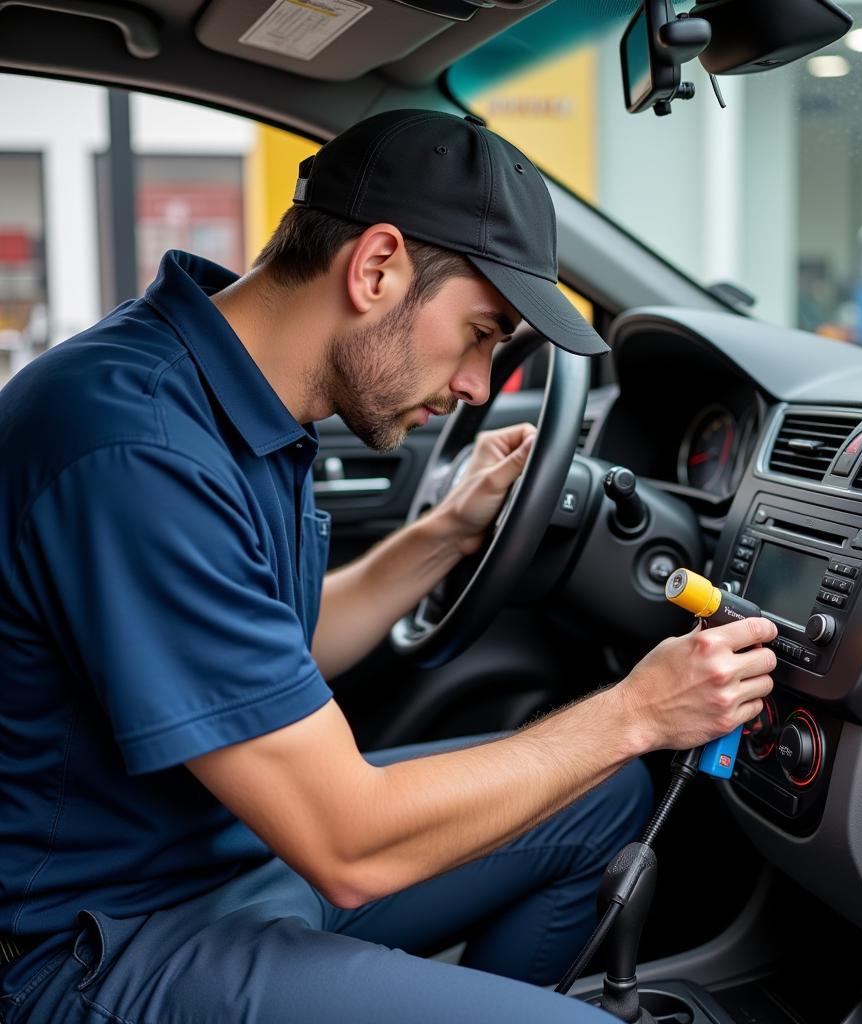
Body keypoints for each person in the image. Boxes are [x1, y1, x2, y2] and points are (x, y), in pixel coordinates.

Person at [0, 109, 776, 1023]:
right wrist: (638, 711)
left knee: (603, 800)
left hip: (212, 860)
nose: (477, 388)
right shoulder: (136, 447)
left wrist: (447, 531)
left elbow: (275, 651)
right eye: (481, 333)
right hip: (83, 947)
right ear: (375, 267)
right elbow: (349, 845)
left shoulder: (236, 394)